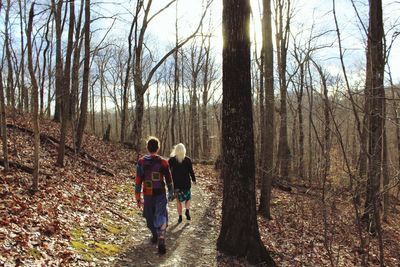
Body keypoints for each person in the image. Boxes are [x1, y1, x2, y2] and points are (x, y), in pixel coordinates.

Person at [135, 137, 174, 254]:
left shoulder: (141, 162)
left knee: (149, 216)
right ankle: (160, 236)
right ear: (158, 148)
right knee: (161, 214)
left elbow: (138, 181)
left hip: (147, 194)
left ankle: (154, 235)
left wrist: (138, 198)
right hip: (160, 193)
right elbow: (169, 180)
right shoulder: (163, 162)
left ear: (147, 148)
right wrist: (171, 192)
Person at [168, 143, 196, 223]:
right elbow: (191, 171)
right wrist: (194, 180)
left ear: (176, 150)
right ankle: (187, 210)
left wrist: (168, 181)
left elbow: (167, 171)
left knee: (178, 201)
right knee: (188, 198)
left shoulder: (172, 160)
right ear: (184, 150)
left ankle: (180, 217)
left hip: (176, 184)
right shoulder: (188, 159)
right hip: (186, 183)